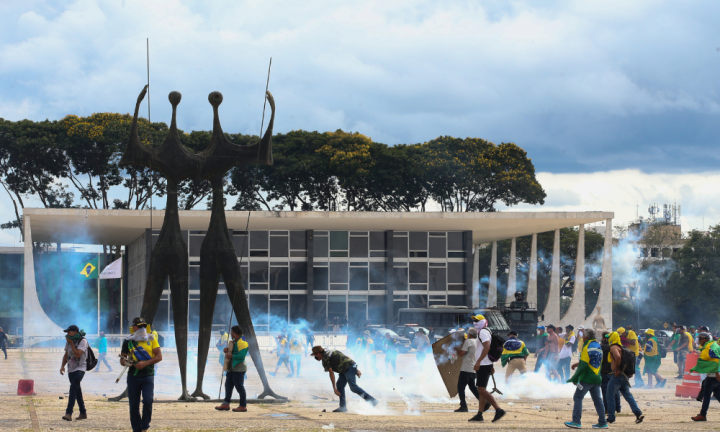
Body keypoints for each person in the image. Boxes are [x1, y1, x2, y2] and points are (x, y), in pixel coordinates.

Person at [121, 317, 162, 432]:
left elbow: (159, 356)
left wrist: (145, 363)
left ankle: (145, 426)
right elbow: (122, 359)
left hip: (148, 374)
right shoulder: (128, 341)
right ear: (133, 327)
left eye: (143, 326)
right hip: (133, 376)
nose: (141, 329)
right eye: (139, 327)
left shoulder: (152, 339)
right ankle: (136, 429)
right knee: (133, 406)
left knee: (148, 401)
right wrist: (127, 362)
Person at [311, 345, 379, 412]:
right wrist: (355, 369)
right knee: (340, 386)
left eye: (315, 355)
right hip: (347, 368)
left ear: (318, 353)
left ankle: (372, 400)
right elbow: (347, 357)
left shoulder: (325, 358)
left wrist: (334, 388)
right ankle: (342, 407)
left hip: (348, 368)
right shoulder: (330, 352)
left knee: (353, 387)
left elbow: (331, 373)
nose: (316, 357)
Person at [564, 329, 607, 429]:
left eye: (583, 335)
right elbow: (594, 361)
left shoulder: (586, 346)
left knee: (578, 397)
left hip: (587, 379)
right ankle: (603, 422)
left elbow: (583, 364)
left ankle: (576, 421)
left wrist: (575, 378)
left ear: (586, 337)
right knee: (598, 400)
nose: (582, 337)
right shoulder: (598, 345)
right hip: (597, 378)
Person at [469, 314, 507, 423]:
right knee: (482, 390)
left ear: (483, 321)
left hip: (483, 364)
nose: (475, 322)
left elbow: (487, 347)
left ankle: (498, 410)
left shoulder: (483, 332)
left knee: (481, 389)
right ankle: (479, 414)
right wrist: (491, 364)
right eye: (474, 320)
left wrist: (478, 362)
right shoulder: (485, 331)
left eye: (477, 320)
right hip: (486, 364)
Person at [606, 332, 644, 425]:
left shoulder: (614, 347)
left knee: (609, 395)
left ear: (612, 338)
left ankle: (611, 417)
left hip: (617, 376)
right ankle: (638, 413)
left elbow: (618, 356)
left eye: (609, 337)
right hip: (625, 376)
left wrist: (617, 369)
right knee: (628, 395)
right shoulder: (622, 347)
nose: (608, 339)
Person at [215, 326, 249, 412]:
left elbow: (241, 356)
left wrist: (231, 356)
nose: (230, 334)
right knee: (228, 386)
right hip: (232, 369)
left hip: (238, 368)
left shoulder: (242, 342)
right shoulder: (235, 341)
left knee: (239, 387)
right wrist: (228, 350)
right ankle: (226, 404)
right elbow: (234, 350)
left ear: (234, 333)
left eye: (231, 332)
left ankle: (243, 405)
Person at [60, 325, 88, 422]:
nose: (68, 334)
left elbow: (77, 354)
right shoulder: (68, 342)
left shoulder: (82, 341)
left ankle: (68, 413)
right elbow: (66, 354)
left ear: (75, 332)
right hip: (71, 369)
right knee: (77, 391)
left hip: (80, 368)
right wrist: (62, 366)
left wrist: (71, 343)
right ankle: (83, 412)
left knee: (72, 390)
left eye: (69, 332)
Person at [691, 332, 720, 421]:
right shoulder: (713, 345)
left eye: (700, 339)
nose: (699, 341)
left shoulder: (708, 347)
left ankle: (702, 415)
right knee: (718, 394)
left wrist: (716, 374)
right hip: (715, 375)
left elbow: (714, 361)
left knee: (707, 396)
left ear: (704, 339)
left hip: (713, 375)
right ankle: (702, 414)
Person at [456, 328, 481, 412]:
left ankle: (463, 406)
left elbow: (461, 353)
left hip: (466, 368)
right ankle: (485, 402)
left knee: (460, 387)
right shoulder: (477, 342)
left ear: (470, 334)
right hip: (474, 368)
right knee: (473, 387)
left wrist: (456, 349)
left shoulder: (468, 341)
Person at [599, 331, 621, 416]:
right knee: (616, 390)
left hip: (604, 371)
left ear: (604, 338)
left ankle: (607, 408)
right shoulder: (615, 347)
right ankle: (617, 407)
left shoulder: (601, 347)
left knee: (605, 391)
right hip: (613, 371)